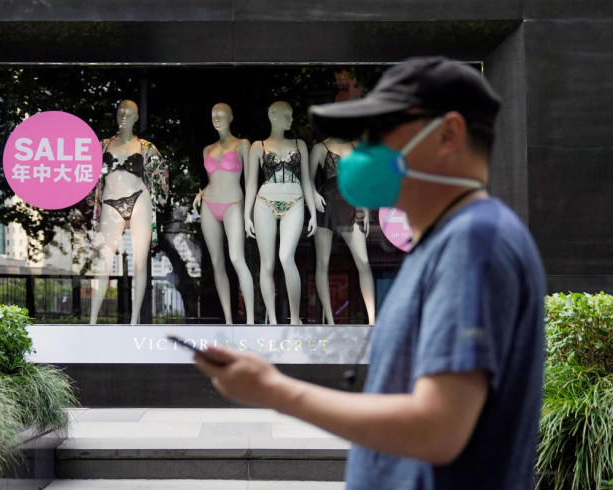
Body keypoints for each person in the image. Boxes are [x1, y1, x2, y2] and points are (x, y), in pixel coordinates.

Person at [195, 57, 546, 489]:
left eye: (383, 133)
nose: (367, 150)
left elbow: (437, 428)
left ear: (449, 134)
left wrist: (274, 392)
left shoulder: (476, 244)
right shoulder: (443, 241)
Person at [88, 99, 168, 325]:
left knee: (140, 263)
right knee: (102, 262)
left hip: (138, 199)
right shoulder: (101, 145)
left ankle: (134, 321)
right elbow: (88, 179)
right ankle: (92, 320)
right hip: (110, 202)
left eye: (129, 112)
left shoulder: (145, 147)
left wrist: (159, 198)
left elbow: (161, 175)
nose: (124, 114)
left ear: (137, 117)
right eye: (121, 110)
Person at [244, 101, 316, 324]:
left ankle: (295, 318)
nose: (292, 120)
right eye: (289, 116)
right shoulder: (258, 146)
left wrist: (313, 212)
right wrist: (246, 215)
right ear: (274, 116)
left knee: (286, 257)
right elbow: (250, 184)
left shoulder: (300, 144)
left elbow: (306, 180)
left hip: (294, 201)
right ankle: (273, 320)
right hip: (264, 202)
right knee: (267, 264)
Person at [193, 103, 255, 324]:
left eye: (221, 114)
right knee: (217, 262)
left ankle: (250, 321)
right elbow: (213, 179)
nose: (216, 118)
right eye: (213, 115)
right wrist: (202, 192)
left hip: (234, 203)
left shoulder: (243, 145)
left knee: (237, 258)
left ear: (231, 117)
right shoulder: (207, 149)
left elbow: (250, 182)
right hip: (209, 203)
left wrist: (249, 214)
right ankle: (229, 320)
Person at [309, 137, 376, 324]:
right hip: (327, 202)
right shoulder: (319, 147)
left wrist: (365, 208)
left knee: (363, 261)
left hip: (350, 202)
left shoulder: (356, 145)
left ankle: (372, 320)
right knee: (323, 262)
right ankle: (330, 320)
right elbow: (308, 177)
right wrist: (313, 194)